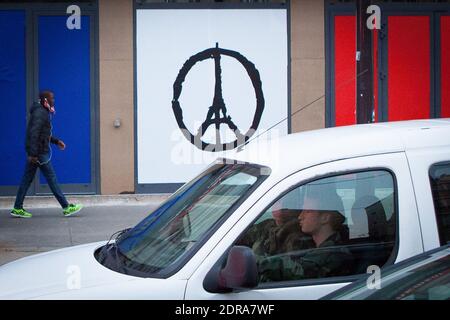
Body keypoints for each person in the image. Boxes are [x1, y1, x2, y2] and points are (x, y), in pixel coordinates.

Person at [10, 90, 82, 218]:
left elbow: (43, 133)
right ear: (45, 100)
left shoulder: (42, 111)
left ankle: (17, 207)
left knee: (27, 180)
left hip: (36, 152)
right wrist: (33, 154)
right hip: (38, 153)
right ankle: (66, 207)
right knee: (51, 178)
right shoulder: (40, 113)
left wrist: (56, 141)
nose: (54, 101)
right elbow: (34, 133)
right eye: (52, 98)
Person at [258, 188, 353, 282]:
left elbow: (297, 271)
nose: (300, 216)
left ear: (325, 218)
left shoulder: (333, 253)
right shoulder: (318, 246)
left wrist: (257, 262)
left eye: (308, 211)